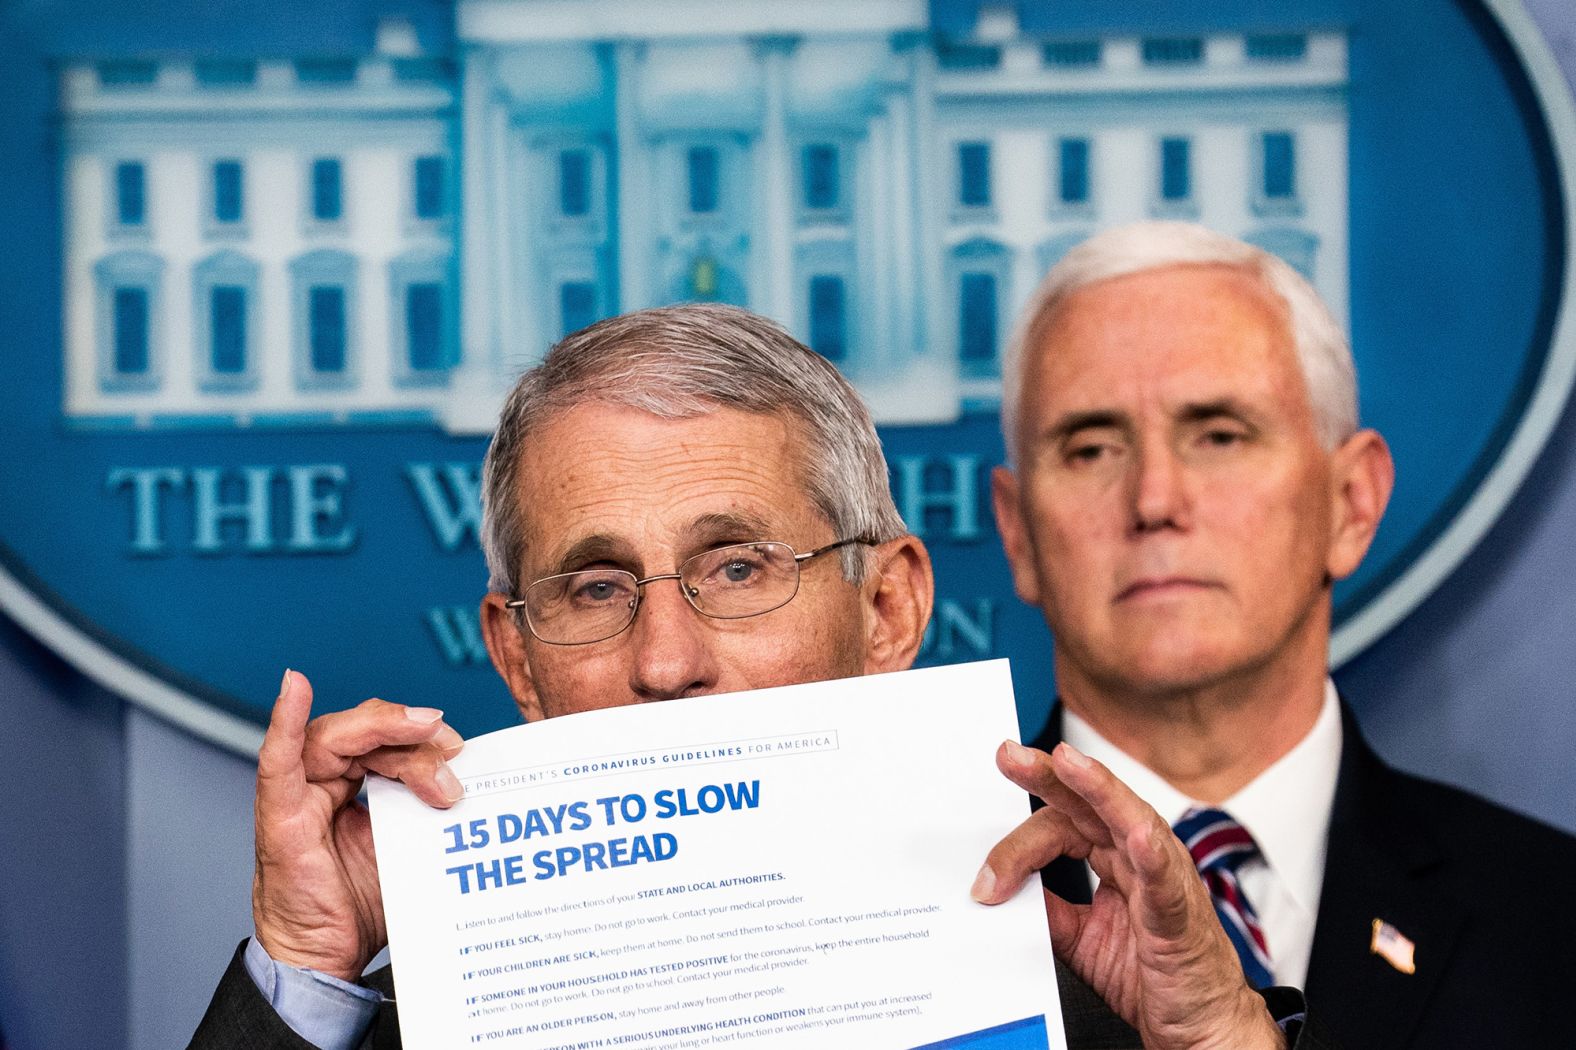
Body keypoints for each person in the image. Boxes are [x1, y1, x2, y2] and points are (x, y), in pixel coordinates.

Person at [190, 303, 1325, 1049]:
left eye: (738, 569)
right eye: (594, 589)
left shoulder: (1116, 1007)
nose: (667, 662)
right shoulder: (392, 1035)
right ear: (516, 658)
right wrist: (305, 969)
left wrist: (1220, 1037)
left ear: (887, 611)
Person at [987, 221, 1576, 1050]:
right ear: (1018, 535)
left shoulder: (1555, 920)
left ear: (1351, 504)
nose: (1155, 499)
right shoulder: (910, 920)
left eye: (1220, 435)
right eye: (1090, 448)